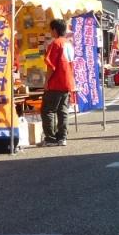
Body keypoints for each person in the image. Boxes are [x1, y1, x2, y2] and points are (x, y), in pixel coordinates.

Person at [41, 18, 76, 146]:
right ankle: (62, 137)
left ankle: (50, 138)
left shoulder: (55, 43)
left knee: (48, 110)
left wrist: (46, 81)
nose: (51, 32)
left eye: (51, 30)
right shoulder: (68, 44)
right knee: (63, 111)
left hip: (56, 82)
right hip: (67, 81)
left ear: (54, 30)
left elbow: (51, 66)